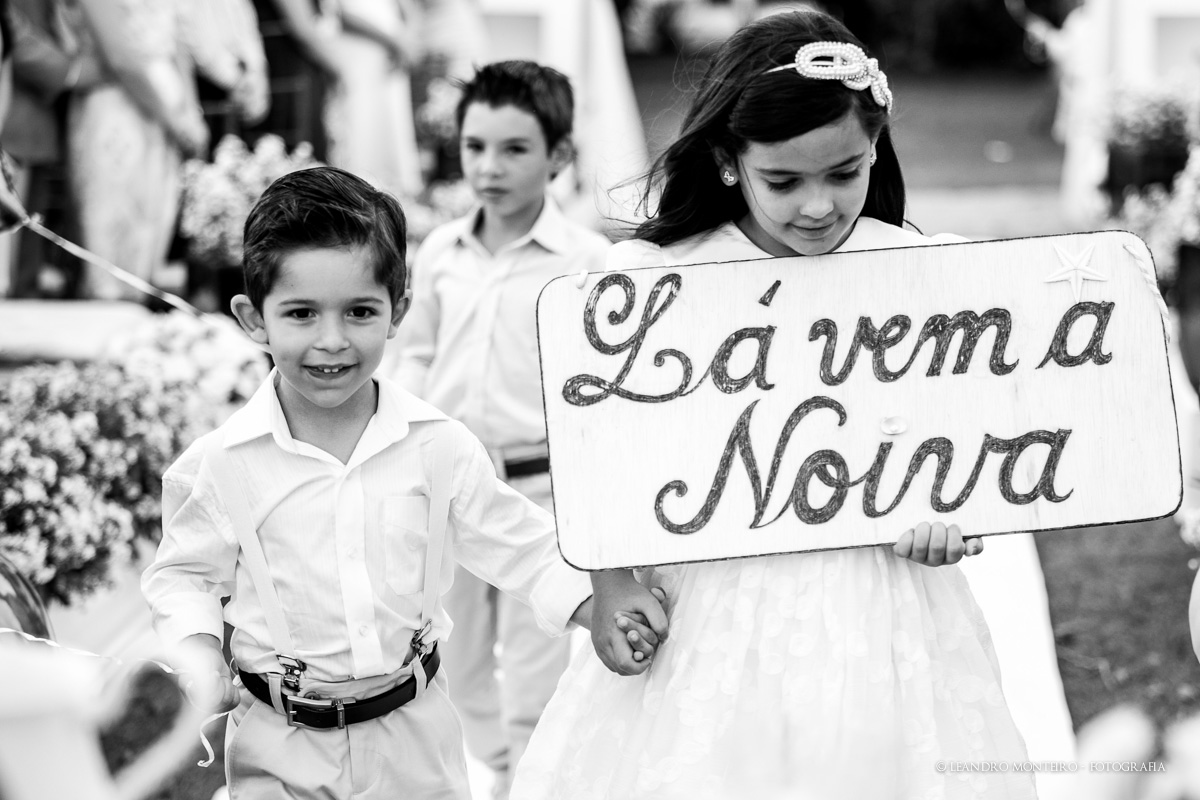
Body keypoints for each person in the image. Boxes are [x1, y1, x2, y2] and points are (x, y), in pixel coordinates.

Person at [511, 11, 1035, 800]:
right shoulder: (654, 284)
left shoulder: (916, 281)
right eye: (784, 182)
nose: (819, 207)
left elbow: (965, 439)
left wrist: (948, 512)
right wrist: (610, 578)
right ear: (727, 162)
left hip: (879, 604)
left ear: (875, 149)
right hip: (708, 614)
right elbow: (603, 455)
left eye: (845, 173)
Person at [141, 166, 662, 799]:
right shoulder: (222, 463)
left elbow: (517, 543)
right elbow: (183, 574)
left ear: (398, 312)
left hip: (415, 736)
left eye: (360, 312)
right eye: (301, 314)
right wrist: (195, 651)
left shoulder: (437, 445)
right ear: (254, 318)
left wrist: (597, 604)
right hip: (279, 739)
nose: (331, 341)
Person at [384, 60, 616, 799]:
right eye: (475, 146)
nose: (489, 167)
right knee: (460, 660)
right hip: (450, 496)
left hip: (538, 495)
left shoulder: (588, 263)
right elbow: (414, 350)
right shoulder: (442, 250)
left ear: (558, 155)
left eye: (514, 149)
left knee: (537, 664)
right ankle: (500, 766)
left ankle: (530, 779)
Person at [63, 0, 209, 301]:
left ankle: (135, 323)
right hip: (119, 113)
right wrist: (173, 122)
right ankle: (104, 324)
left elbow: (177, 47)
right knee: (110, 240)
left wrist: (192, 114)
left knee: (150, 229)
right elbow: (121, 58)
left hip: (168, 117)